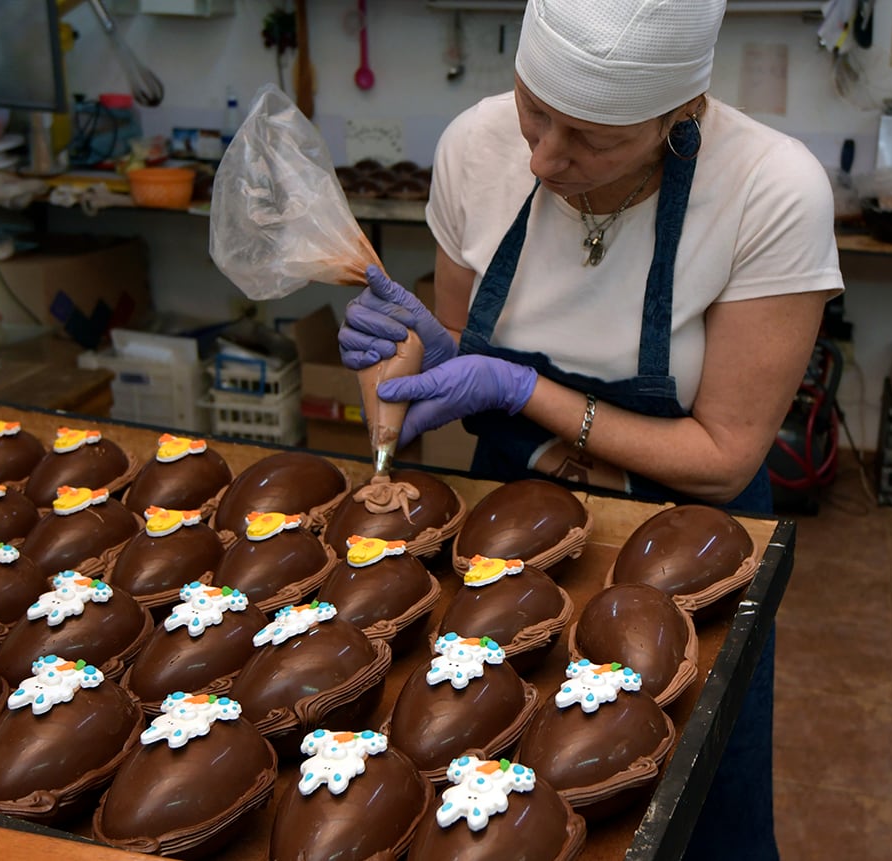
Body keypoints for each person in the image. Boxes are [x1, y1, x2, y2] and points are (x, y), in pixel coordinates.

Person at [339, 1, 843, 857]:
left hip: (691, 550)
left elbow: (723, 459)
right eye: (534, 110)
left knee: (695, 811)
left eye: (592, 139)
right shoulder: (475, 145)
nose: (542, 156)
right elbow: (455, 354)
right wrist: (400, 367)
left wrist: (520, 386)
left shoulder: (771, 189)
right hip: (508, 530)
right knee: (474, 791)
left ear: (679, 115)